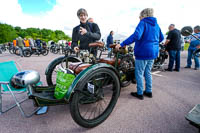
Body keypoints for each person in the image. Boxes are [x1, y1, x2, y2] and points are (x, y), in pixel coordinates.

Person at [115, 8, 164, 100]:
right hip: (153, 52)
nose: (139, 18)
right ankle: (149, 91)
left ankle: (140, 93)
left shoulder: (143, 22)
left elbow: (136, 36)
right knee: (148, 72)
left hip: (143, 51)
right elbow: (161, 38)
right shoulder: (156, 25)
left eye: (140, 16)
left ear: (143, 15)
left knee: (139, 73)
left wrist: (122, 44)